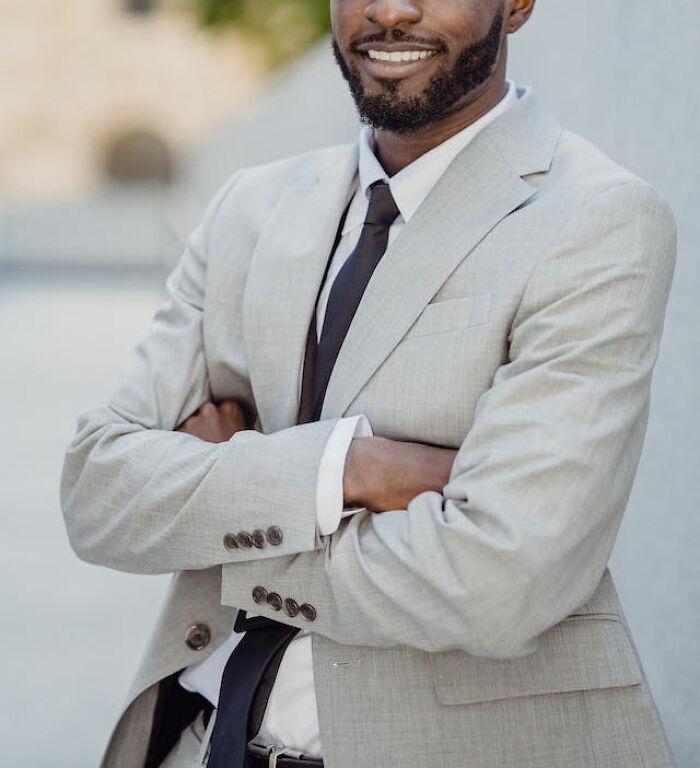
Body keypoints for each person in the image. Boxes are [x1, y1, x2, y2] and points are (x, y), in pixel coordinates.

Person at [61, 1, 678, 766]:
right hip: (200, 743)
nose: (389, 11)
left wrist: (217, 509)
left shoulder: (596, 219)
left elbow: (500, 582)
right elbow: (98, 494)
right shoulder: (249, 208)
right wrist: (350, 469)